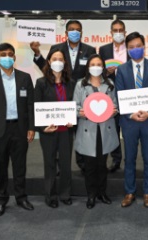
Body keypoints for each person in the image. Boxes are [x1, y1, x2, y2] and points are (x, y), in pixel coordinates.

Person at [30, 20, 96, 173]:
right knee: (60, 132)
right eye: (71, 29)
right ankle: (59, 163)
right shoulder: (56, 48)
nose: (75, 32)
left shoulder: (89, 49)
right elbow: (47, 68)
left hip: (82, 97)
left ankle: (81, 162)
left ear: (82, 32)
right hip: (60, 96)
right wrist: (37, 54)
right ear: (66, 33)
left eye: (78, 29)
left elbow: (92, 72)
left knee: (80, 133)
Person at [0, 43, 35, 216]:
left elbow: (30, 106)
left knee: (20, 166)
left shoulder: (25, 78)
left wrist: (32, 127)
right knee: (1, 166)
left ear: (15, 57)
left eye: (10, 54)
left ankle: (21, 197)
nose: (7, 57)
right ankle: (1, 200)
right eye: (3, 54)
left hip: (20, 128)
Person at [115, 32, 148, 208]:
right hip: (129, 122)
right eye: (131, 47)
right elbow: (119, 95)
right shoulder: (121, 70)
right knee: (129, 158)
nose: (135, 49)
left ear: (144, 46)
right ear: (127, 50)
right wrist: (130, 114)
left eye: (138, 46)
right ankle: (129, 192)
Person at [74, 54, 119, 209]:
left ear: (103, 67)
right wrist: (79, 112)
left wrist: (114, 110)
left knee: (102, 165)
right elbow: (75, 106)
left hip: (105, 129)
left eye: (99, 64)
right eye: (92, 64)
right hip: (88, 130)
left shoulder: (110, 83)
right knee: (90, 166)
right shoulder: (80, 84)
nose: (96, 67)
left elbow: (114, 104)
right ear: (88, 67)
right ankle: (91, 195)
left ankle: (102, 193)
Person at [34, 48, 75, 208]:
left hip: (66, 130)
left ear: (64, 62)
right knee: (49, 163)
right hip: (49, 131)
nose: (57, 62)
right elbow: (35, 106)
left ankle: (65, 194)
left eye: (61, 59)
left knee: (65, 164)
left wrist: (74, 119)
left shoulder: (71, 83)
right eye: (54, 59)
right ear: (49, 61)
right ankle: (50, 196)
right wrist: (42, 127)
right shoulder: (41, 83)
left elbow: (75, 105)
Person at [99, 19, 129, 173]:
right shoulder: (104, 50)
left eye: (121, 30)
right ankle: (116, 160)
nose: (118, 33)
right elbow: (98, 72)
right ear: (111, 33)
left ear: (125, 32)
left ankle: (129, 160)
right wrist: (106, 72)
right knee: (113, 129)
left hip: (129, 95)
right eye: (115, 30)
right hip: (111, 95)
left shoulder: (131, 49)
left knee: (129, 128)